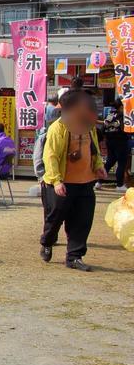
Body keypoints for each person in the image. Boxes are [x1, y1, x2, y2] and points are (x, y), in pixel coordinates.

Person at [40, 89, 105, 271]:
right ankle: (47, 241)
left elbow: (94, 149)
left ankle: (74, 257)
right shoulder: (58, 128)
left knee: (82, 220)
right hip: (62, 183)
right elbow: (50, 156)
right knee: (54, 219)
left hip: (86, 182)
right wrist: (57, 180)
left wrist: (98, 165)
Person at [103, 105, 130, 189]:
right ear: (121, 106)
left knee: (110, 161)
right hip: (121, 141)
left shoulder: (110, 114)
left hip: (109, 140)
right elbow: (125, 128)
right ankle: (119, 185)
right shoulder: (124, 115)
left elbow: (104, 127)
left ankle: (99, 181)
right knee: (122, 163)